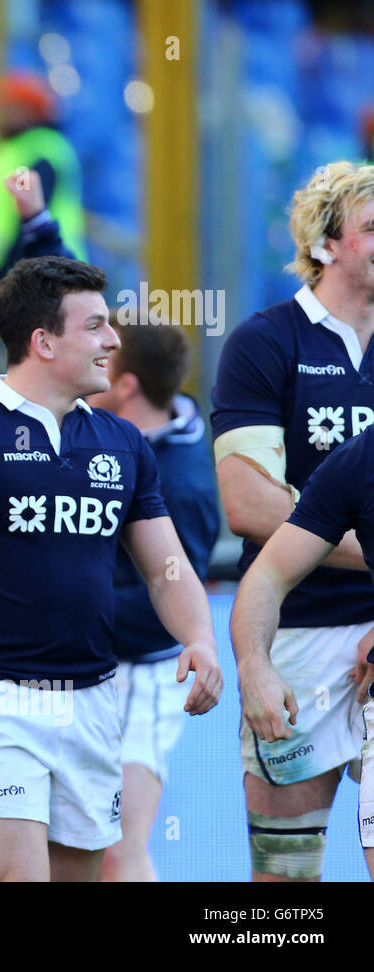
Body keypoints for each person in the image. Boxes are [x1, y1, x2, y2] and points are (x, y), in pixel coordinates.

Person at [0, 255, 221, 882]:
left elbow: (167, 568)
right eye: (95, 327)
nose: (113, 341)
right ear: (43, 342)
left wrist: (199, 636)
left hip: (95, 699)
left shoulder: (122, 445)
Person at [214, 160, 374, 881]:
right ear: (327, 244)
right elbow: (248, 505)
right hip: (296, 635)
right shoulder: (266, 342)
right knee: (285, 876)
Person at [87, 317, 221, 881]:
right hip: (80, 671)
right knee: (72, 848)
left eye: (105, 357)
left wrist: (63, 614)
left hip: (138, 678)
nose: (92, 361)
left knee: (121, 847)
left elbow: (164, 606)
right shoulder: (113, 431)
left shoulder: (181, 482)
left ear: (127, 384)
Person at [230, 425, 374, 879]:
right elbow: (268, 574)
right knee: (285, 873)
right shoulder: (360, 459)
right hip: (314, 660)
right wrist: (254, 666)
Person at [0, 73, 87, 286]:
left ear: (30, 111)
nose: (2, 113)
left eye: (11, 107)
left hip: (32, 271)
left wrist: (12, 274)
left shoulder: (40, 151)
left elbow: (31, 214)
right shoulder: (11, 146)